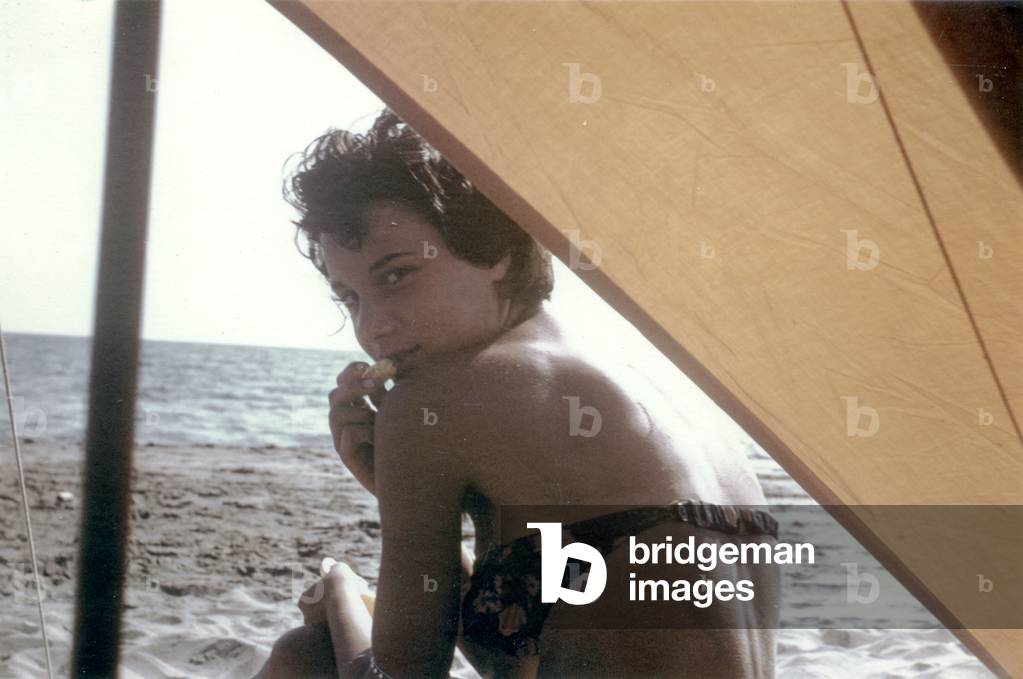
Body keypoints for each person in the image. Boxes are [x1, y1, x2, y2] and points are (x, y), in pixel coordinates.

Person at [255, 108, 780, 679]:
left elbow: (402, 677)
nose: (373, 325)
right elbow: (529, 661)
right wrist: (395, 488)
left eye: (396, 275)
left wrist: (340, 592)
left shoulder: (435, 397)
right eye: (350, 298)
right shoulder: (664, 401)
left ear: (495, 251)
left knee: (302, 657)